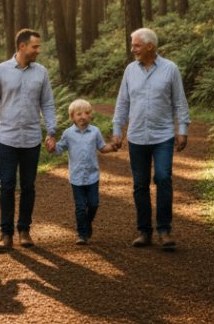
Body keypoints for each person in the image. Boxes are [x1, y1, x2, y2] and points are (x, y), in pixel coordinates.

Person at [112, 27, 191, 248]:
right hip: (137, 136)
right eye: (132, 44)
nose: (132, 49)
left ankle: (164, 230)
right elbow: (122, 103)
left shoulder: (170, 69)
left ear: (150, 46)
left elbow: (179, 101)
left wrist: (182, 129)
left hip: (162, 135)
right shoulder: (130, 71)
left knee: (163, 178)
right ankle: (144, 231)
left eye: (136, 45)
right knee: (140, 184)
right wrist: (118, 130)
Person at [0, 28, 58, 252]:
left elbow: (48, 104)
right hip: (6, 138)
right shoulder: (1, 71)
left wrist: (51, 131)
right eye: (35, 46)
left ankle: (24, 230)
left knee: (28, 186)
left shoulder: (41, 72)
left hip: (32, 139)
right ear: (22, 46)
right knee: (6, 186)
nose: (38, 50)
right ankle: (5, 234)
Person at [51, 98, 118, 244]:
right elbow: (59, 149)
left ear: (90, 115)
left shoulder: (95, 132)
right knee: (80, 206)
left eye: (86, 113)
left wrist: (112, 147)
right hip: (76, 177)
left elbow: (102, 147)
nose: (83, 116)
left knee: (94, 204)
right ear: (72, 117)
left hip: (92, 176)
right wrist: (51, 147)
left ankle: (87, 224)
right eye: (79, 114)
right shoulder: (68, 134)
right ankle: (82, 234)